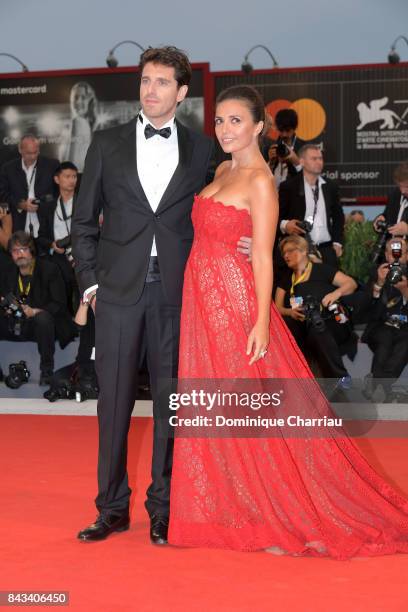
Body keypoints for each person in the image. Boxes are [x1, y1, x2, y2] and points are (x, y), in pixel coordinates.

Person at [168, 85, 408, 558]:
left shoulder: (261, 181)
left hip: (236, 305)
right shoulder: (220, 169)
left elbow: (261, 257)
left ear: (259, 126)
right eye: (219, 120)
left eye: (236, 120)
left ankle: (277, 508)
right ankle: (233, 506)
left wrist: (261, 320)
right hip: (203, 303)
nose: (224, 129)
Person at [71, 46, 214, 545]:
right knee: (112, 404)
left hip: (177, 295)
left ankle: (164, 507)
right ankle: (110, 508)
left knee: (171, 406)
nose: (149, 90)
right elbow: (83, 222)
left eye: (160, 82)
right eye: (145, 81)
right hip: (116, 293)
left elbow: (215, 218)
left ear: (181, 92)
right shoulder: (106, 142)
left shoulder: (202, 151)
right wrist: (91, 284)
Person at [274, 235, 357, 384]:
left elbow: (350, 283)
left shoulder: (322, 270)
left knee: (318, 328)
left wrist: (335, 293)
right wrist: (290, 312)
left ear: (304, 251)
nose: (286, 256)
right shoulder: (286, 278)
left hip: (330, 321)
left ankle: (340, 377)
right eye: (284, 253)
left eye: (290, 251)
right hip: (301, 324)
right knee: (295, 328)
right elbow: (277, 308)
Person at [0, 231, 75, 385]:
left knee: (43, 319)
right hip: (16, 321)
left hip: (44, 325)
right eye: (15, 251)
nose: (19, 254)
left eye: (23, 249)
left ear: (31, 250)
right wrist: (6, 308)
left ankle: (46, 371)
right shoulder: (8, 271)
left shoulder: (49, 269)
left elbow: (59, 304)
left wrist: (34, 311)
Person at [278, 144, 344, 268]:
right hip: (299, 251)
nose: (319, 162)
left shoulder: (330, 186)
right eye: (314, 159)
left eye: (320, 158)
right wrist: (285, 225)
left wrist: (337, 243)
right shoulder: (289, 187)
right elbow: (276, 217)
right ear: (302, 161)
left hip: (327, 250)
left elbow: (338, 217)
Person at [362, 238, 408, 401]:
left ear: (407, 256)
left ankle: (376, 383)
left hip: (405, 328)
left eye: (399, 253)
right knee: (386, 337)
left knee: (405, 341)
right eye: (392, 253)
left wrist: (405, 292)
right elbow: (365, 308)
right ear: (387, 255)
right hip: (381, 325)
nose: (396, 258)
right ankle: (387, 387)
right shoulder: (377, 272)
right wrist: (379, 285)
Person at [37, 162, 79, 313]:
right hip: (58, 258)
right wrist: (52, 245)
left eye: (74, 176)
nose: (72, 180)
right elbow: (40, 237)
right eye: (67, 176)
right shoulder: (48, 207)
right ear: (57, 179)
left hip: (81, 256)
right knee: (61, 297)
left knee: (83, 295)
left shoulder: (84, 203)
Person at [0, 135, 59, 236]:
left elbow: (57, 193)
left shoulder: (52, 165)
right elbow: (2, 194)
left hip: (46, 224)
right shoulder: (8, 169)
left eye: (35, 152)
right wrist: (20, 204)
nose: (32, 156)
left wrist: (44, 202)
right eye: (28, 153)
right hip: (18, 225)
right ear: (20, 150)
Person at [59, 82, 99, 172]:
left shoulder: (78, 122)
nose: (78, 102)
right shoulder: (76, 125)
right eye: (75, 97)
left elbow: (71, 168)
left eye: (83, 97)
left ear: (90, 101)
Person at [267, 108, 305, 189]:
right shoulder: (271, 147)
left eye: (287, 130)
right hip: (274, 195)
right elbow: (262, 180)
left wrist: (296, 162)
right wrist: (270, 163)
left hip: (295, 196)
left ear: (294, 128)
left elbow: (310, 179)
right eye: (281, 130)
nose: (284, 134)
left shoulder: (304, 148)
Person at [373, 161, 408, 237]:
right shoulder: (394, 195)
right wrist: (379, 221)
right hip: (390, 246)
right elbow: (386, 216)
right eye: (399, 186)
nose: (402, 191)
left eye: (407, 187)